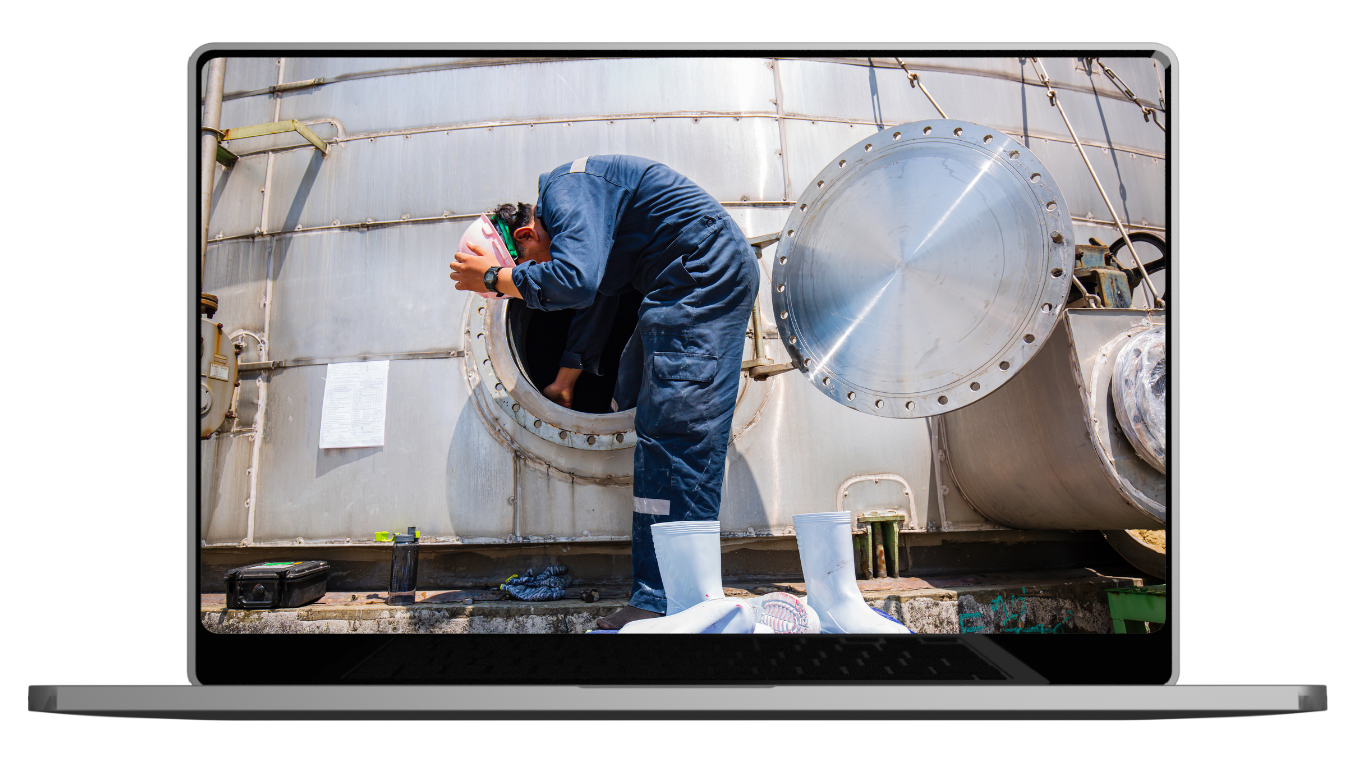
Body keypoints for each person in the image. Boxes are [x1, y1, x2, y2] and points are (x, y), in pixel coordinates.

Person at [448, 155, 759, 629]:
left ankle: (673, 599)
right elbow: (598, 297)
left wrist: (494, 280)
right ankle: (671, 593)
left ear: (526, 236)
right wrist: (566, 378)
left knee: (679, 433)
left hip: (700, 279)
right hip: (679, 286)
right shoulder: (581, 209)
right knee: (646, 409)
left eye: (530, 265)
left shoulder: (565, 191)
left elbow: (576, 281)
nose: (536, 273)